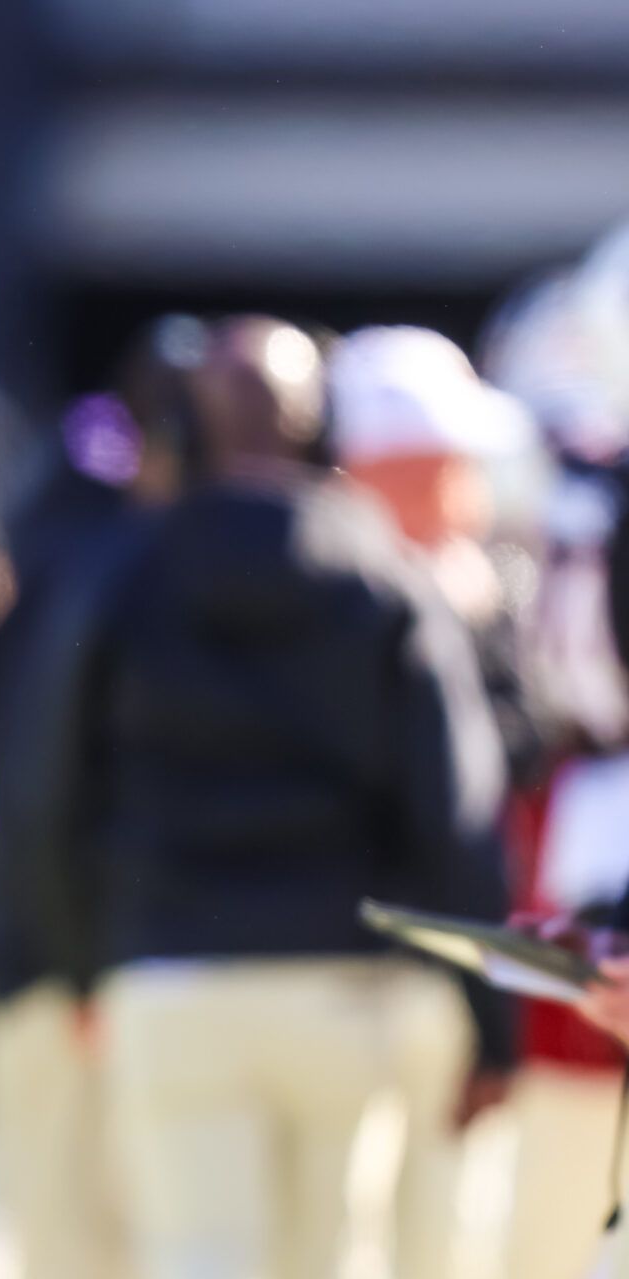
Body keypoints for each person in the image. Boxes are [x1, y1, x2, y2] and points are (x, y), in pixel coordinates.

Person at [44, 316, 512, 1279]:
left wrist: (81, 965)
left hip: (169, 974)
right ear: (318, 423)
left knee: (196, 1258)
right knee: (336, 1261)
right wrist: (488, 1015)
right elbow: (454, 807)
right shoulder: (386, 574)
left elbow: (54, 784)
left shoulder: (124, 569)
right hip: (347, 981)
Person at [0, 314, 204, 1279]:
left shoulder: (82, 532)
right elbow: (41, 777)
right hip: (58, 955)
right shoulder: (91, 551)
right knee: (59, 1231)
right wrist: (70, 958)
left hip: (82, 952)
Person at [327, 325, 531, 1279]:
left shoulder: (463, 587)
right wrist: (498, 1019)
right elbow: (463, 814)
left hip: (328, 965)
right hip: (410, 973)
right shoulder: (403, 596)